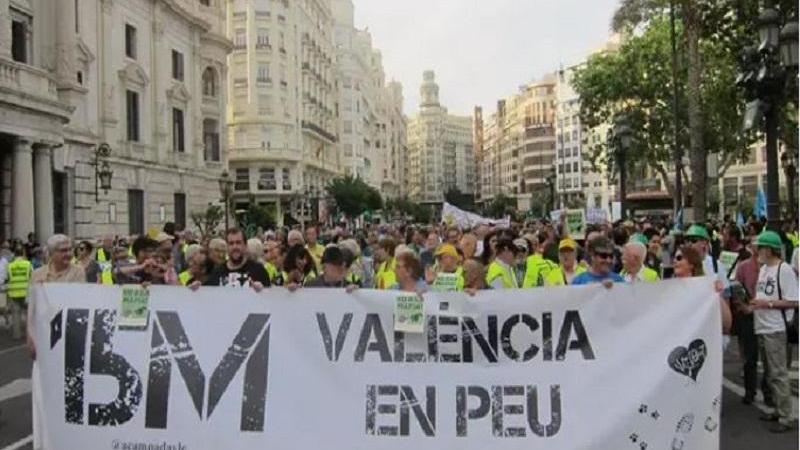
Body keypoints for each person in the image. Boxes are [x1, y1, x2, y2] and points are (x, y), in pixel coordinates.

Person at [745, 231, 798, 432]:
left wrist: (765, 303)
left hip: (776, 327)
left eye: (760, 247)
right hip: (763, 325)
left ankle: (786, 415)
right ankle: (778, 408)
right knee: (770, 372)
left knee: (778, 373)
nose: (756, 251)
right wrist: (755, 306)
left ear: (769, 249)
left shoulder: (783, 270)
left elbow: (794, 300)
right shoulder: (765, 268)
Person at [28, 234, 86, 359]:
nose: (69, 254)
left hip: (69, 332)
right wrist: (30, 337)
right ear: (51, 253)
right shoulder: (37, 274)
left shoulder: (78, 272)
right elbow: (31, 309)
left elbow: (77, 301)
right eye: (63, 250)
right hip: (43, 331)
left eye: (70, 249)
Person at [733, 237, 773, 406]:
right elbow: (736, 289)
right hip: (748, 315)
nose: (758, 250)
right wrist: (743, 306)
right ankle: (750, 391)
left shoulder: (772, 268)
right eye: (756, 247)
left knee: (768, 358)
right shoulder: (743, 267)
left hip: (766, 315)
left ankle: (768, 392)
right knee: (750, 356)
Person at [200, 229, 270, 290]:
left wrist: (262, 292)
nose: (235, 247)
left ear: (245, 246)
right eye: (231, 243)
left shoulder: (259, 271)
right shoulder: (217, 273)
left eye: (238, 243)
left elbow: (270, 299)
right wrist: (193, 291)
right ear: (227, 247)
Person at [7, 245, 32, 340]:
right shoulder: (28, 264)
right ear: (23, 253)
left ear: (14, 254)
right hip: (25, 291)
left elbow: (7, 277)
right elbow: (32, 276)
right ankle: (28, 334)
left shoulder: (10, 265)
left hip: (14, 292)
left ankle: (16, 335)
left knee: (16, 315)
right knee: (28, 314)